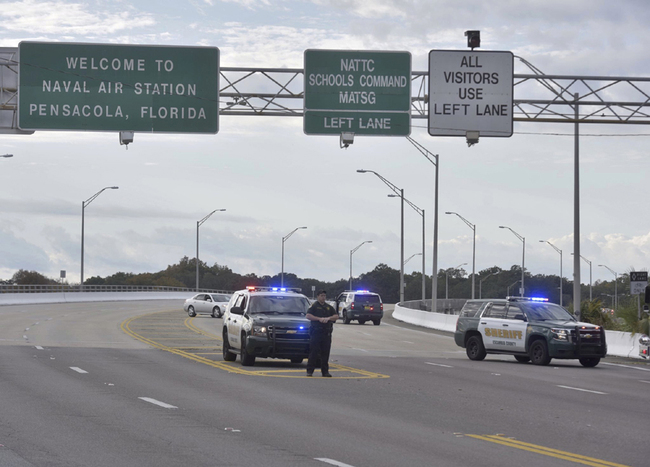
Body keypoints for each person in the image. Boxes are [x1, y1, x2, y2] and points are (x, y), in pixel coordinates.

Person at [305, 290, 338, 377]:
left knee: (325, 353)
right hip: (316, 332)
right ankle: (310, 371)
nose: (323, 297)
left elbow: (336, 316)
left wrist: (329, 318)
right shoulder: (314, 306)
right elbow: (308, 315)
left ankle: (325, 371)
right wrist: (319, 319)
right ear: (318, 296)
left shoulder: (328, 307)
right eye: (321, 296)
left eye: (324, 296)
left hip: (326, 332)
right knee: (314, 352)